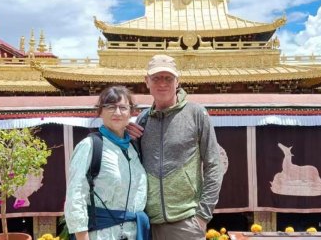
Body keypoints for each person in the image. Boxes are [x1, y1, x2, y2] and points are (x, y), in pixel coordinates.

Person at [128, 54, 223, 240]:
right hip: (149, 222)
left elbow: (214, 165)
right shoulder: (143, 120)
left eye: (168, 78)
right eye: (156, 78)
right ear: (146, 81)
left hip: (186, 222)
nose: (162, 83)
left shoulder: (196, 114)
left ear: (177, 81)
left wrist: (203, 215)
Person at [65, 86, 149, 240]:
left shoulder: (133, 148)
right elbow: (75, 195)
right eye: (110, 107)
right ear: (100, 111)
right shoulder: (90, 146)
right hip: (102, 234)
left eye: (123, 107)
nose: (117, 112)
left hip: (133, 233)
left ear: (131, 112)